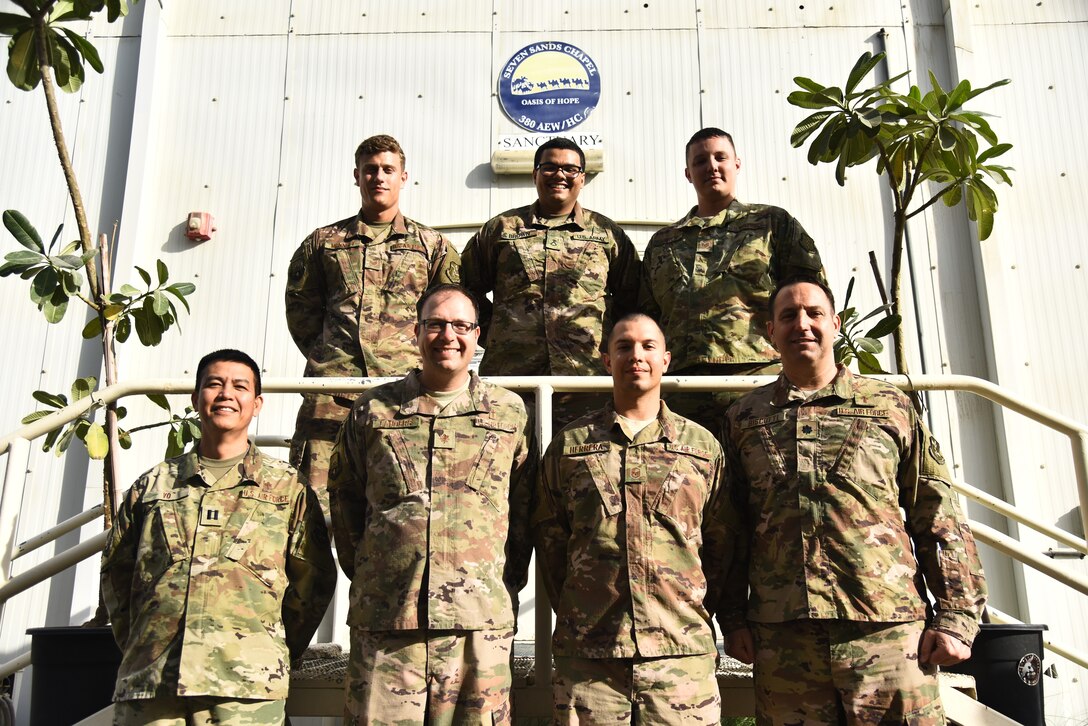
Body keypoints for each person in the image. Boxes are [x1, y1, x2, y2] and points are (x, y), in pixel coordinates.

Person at [720, 276, 988, 724]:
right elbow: (731, 529)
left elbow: (936, 512)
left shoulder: (889, 405)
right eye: (788, 316)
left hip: (885, 629)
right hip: (785, 636)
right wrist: (732, 618)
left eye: (814, 314)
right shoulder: (744, 418)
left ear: (836, 324)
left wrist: (957, 615)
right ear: (770, 331)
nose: (801, 324)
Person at [327, 284, 536, 725]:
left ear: (478, 336)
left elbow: (525, 511)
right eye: (436, 324)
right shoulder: (374, 410)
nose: (449, 336)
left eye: (461, 326)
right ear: (416, 333)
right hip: (388, 622)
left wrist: (498, 584)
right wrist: (377, 573)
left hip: (478, 624)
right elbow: (344, 501)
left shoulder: (509, 413)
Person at [101, 349, 336, 725]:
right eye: (214, 384)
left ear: (256, 404)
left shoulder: (288, 487)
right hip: (154, 685)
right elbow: (116, 576)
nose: (226, 394)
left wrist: (265, 649)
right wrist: (149, 643)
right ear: (196, 399)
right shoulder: (153, 485)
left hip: (246, 688)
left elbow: (315, 580)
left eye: (240, 386)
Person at [534, 313, 735, 724]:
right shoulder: (570, 446)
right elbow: (551, 543)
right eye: (623, 346)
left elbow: (722, 543)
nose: (635, 355)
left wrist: (690, 610)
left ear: (666, 359)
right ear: (606, 360)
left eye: (647, 346)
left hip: (680, 659)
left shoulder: (702, 446)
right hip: (591, 661)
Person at [285, 134, 461, 508]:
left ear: (403, 176)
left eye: (387, 170)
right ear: (357, 175)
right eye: (370, 170)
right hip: (332, 393)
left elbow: (450, 312)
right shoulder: (324, 243)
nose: (378, 177)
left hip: (405, 393)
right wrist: (331, 356)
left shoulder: (432, 246)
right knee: (314, 508)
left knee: (404, 503)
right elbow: (301, 311)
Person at [638, 127, 825, 432]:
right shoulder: (663, 243)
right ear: (688, 173)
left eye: (719, 157)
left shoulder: (772, 225)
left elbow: (813, 298)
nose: (711, 166)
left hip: (759, 383)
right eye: (700, 161)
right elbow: (647, 317)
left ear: (736, 163)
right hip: (680, 389)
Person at [461, 137, 640, 427]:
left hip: (586, 378)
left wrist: (606, 340)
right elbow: (465, 291)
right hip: (512, 379)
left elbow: (634, 298)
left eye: (570, 169)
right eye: (550, 167)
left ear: (582, 178)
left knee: (581, 461)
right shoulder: (501, 229)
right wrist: (495, 331)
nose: (559, 175)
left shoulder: (607, 234)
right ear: (535, 174)